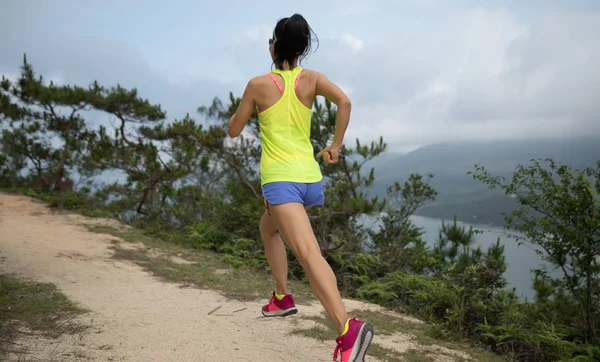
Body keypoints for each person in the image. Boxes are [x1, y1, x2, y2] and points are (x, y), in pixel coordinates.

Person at [227, 13, 374, 362]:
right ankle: (282, 298)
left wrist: (242, 115)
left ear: (274, 46)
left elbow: (234, 130)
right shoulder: (312, 79)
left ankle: (346, 329)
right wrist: (335, 146)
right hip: (309, 180)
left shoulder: (258, 85)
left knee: (308, 254)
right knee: (269, 230)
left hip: (281, 183)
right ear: (303, 47)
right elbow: (345, 102)